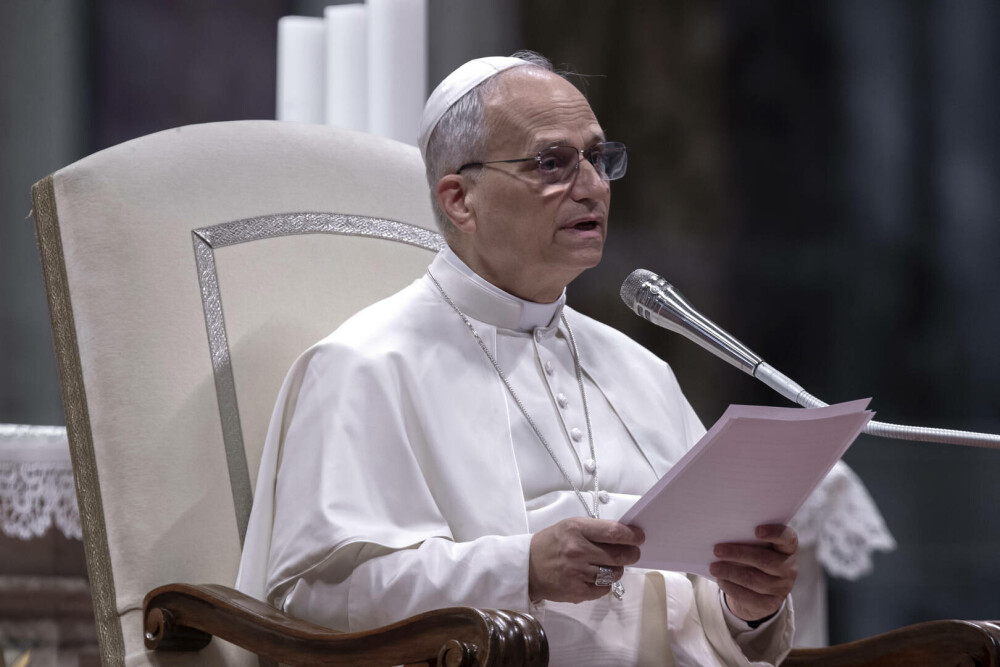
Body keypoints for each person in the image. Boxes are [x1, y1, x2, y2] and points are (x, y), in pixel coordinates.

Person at [237, 51, 798, 666]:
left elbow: (704, 605)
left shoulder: (642, 370)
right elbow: (315, 599)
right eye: (552, 163)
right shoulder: (363, 365)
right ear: (460, 200)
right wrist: (521, 568)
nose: (593, 186)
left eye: (598, 158)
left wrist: (749, 604)